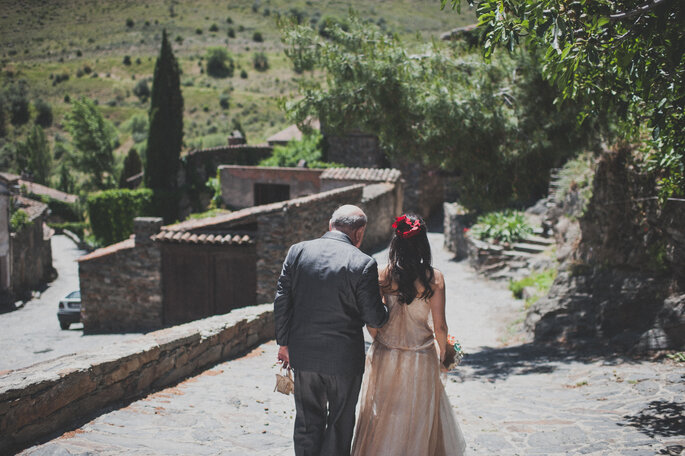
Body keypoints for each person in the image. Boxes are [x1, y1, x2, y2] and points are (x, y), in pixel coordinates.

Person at [273, 204, 389, 456]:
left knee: (306, 420)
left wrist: (283, 343)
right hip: (344, 360)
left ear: (330, 225)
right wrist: (386, 308)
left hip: (304, 354)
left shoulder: (298, 251)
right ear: (359, 233)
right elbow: (374, 318)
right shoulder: (364, 263)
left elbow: (282, 301)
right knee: (339, 422)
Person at [351, 213, 466, 456]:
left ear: (396, 242)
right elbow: (440, 326)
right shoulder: (434, 279)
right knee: (417, 417)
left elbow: (372, 319)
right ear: (423, 243)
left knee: (383, 413)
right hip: (420, 356)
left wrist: (379, 340)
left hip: (385, 353)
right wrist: (444, 354)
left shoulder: (382, 274)